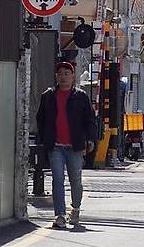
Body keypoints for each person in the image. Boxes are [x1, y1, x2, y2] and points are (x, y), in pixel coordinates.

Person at [34, 61, 97, 230]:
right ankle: (60, 215)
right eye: (60, 74)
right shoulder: (48, 96)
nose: (63, 77)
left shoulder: (81, 96)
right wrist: (44, 138)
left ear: (73, 76)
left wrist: (90, 139)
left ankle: (75, 209)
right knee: (58, 180)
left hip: (75, 146)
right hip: (55, 146)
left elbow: (90, 120)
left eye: (66, 74)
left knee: (75, 180)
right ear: (56, 76)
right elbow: (40, 119)